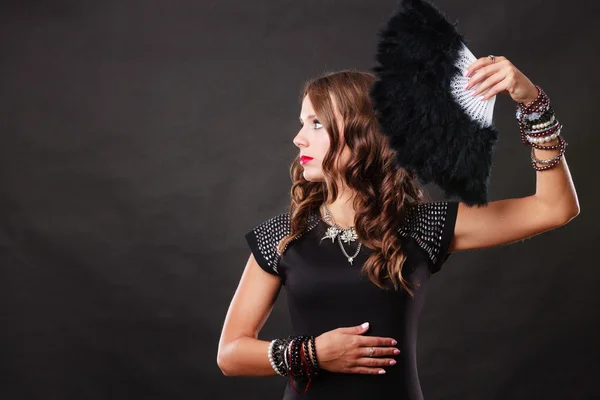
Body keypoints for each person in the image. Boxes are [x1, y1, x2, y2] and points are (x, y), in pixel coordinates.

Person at [217, 57, 580, 399]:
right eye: (302, 122)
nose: (299, 138)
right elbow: (230, 354)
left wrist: (533, 105)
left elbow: (554, 208)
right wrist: (312, 354)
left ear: (364, 133)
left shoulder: (423, 226)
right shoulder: (284, 234)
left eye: (316, 123)